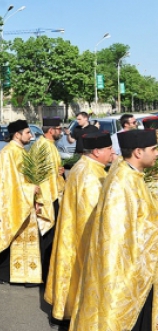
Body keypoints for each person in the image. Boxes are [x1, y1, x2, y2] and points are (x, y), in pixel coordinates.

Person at [69, 129, 158, 331]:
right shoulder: (121, 183)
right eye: (153, 149)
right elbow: (117, 235)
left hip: (143, 264)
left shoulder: (132, 176)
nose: (156, 153)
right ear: (138, 152)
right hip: (128, 271)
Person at [43, 132, 113, 324]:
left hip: (70, 233)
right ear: (97, 151)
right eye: (109, 149)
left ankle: (67, 308)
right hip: (82, 237)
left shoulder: (81, 166)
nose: (112, 152)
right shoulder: (90, 175)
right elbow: (91, 217)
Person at [0, 120, 51, 285]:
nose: (32, 135)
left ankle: (28, 275)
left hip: (26, 202)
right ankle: (2, 274)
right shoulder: (8, 153)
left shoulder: (21, 151)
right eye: (28, 132)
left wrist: (35, 198)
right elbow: (8, 183)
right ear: (17, 134)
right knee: (14, 238)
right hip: (16, 203)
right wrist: (30, 190)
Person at [30, 118, 65, 283]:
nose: (61, 131)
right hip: (46, 196)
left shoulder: (48, 145)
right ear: (51, 130)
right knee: (47, 236)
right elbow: (36, 173)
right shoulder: (42, 146)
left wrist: (59, 171)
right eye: (59, 128)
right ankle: (44, 274)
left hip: (53, 194)